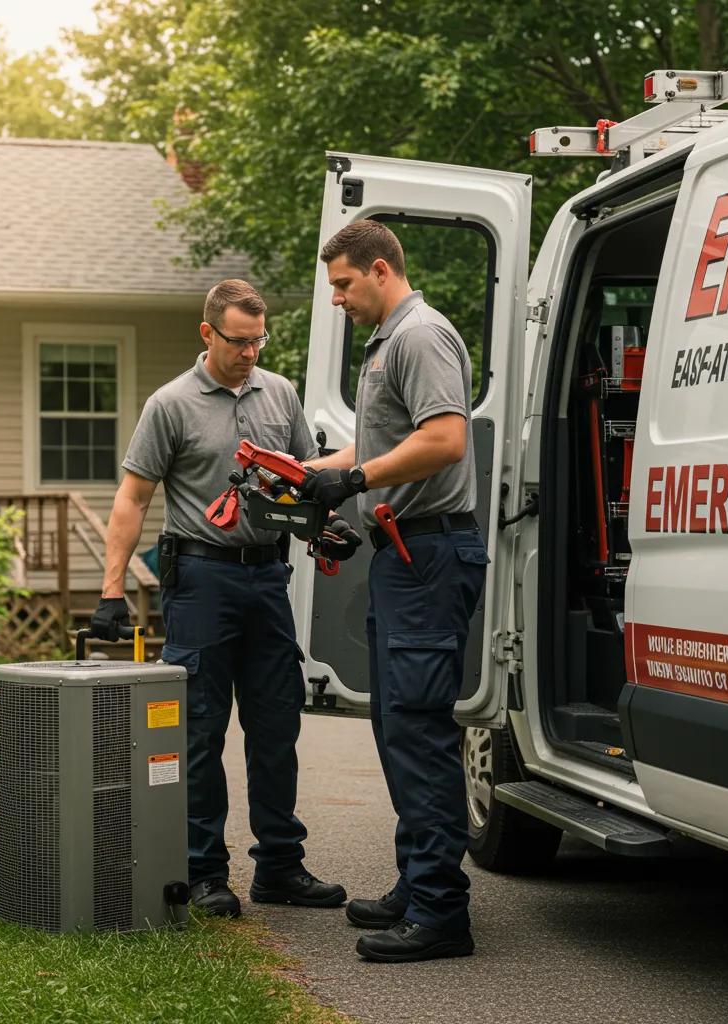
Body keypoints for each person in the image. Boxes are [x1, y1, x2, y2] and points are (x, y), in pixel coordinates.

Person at [90, 279, 355, 918]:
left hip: (268, 578)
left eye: (259, 340)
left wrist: (323, 523)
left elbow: (301, 478)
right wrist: (112, 589)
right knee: (200, 731)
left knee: (276, 725)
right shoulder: (170, 404)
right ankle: (205, 872)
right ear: (207, 334)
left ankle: (280, 868)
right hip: (202, 581)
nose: (250, 353)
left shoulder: (281, 393)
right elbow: (133, 497)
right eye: (239, 341)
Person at [302, 220, 489, 963]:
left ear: (380, 270)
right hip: (403, 557)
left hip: (431, 553)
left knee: (418, 729)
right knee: (398, 730)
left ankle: (443, 913)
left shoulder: (420, 336)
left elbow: (445, 439)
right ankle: (418, 883)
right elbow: (384, 446)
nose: (339, 299)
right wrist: (315, 471)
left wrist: (353, 479)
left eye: (344, 285)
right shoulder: (388, 341)